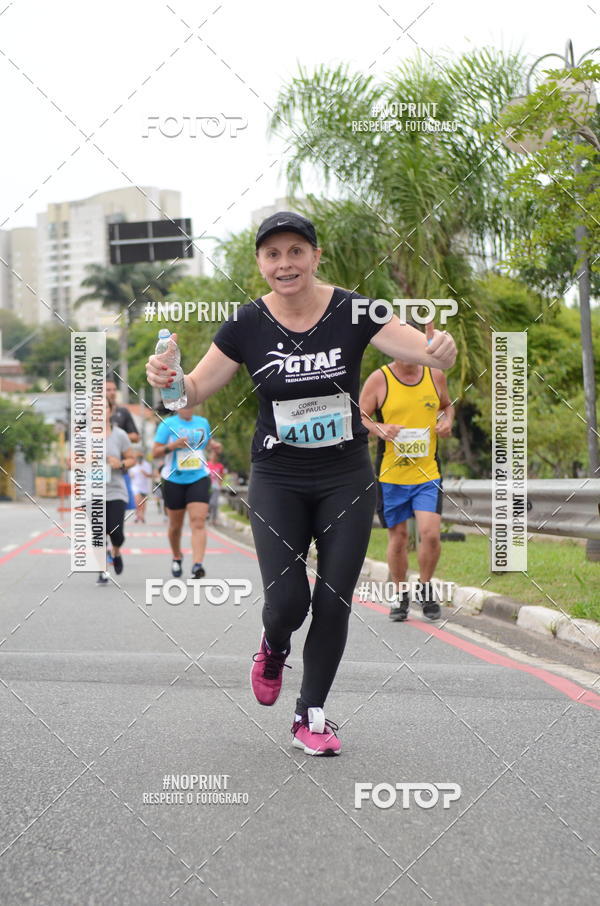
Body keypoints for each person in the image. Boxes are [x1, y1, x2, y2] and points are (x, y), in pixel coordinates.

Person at [145, 211, 456, 755]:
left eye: (295, 251)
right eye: (272, 254)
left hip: (345, 475)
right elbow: (191, 392)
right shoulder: (245, 324)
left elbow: (414, 347)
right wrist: (168, 382)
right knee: (288, 601)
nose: (284, 263)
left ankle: (310, 714)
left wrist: (438, 353)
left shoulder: (356, 308)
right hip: (278, 476)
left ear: (315, 256)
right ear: (260, 264)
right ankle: (273, 643)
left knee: (334, 599)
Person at [359, 344, 455, 621]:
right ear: (393, 348)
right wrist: (381, 428)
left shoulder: (435, 375)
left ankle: (425, 587)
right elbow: (360, 415)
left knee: (431, 534)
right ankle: (400, 595)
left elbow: (447, 406)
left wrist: (446, 422)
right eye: (404, 346)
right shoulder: (380, 379)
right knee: (399, 538)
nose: (410, 355)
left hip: (427, 473)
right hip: (392, 476)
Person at [151, 405, 221, 578]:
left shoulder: (202, 422)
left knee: (198, 521)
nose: (188, 409)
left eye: (191, 405)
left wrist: (215, 447)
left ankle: (197, 565)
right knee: (175, 526)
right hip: (174, 479)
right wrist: (173, 445)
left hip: (199, 476)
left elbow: (207, 442)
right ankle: (177, 556)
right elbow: (155, 452)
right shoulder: (167, 424)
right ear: (177, 407)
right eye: (184, 406)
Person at [97, 399, 137, 584]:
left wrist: (119, 463)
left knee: (116, 532)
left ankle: (116, 551)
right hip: (93, 492)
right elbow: (70, 462)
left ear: (110, 410)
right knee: (99, 532)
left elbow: (131, 459)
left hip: (116, 490)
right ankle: (102, 569)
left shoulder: (119, 435)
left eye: (103, 407)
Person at [129, 451, 153, 523]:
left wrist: (144, 473)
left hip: (144, 487)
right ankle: (137, 515)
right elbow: (130, 474)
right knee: (137, 501)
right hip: (135, 486)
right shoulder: (133, 465)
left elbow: (150, 475)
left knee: (143, 503)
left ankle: (142, 515)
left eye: (140, 458)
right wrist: (131, 475)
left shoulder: (147, 465)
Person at [207, 448, 225, 524]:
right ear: (210, 456)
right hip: (208, 486)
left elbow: (221, 476)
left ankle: (214, 518)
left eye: (215, 455)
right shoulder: (206, 464)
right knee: (208, 502)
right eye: (212, 455)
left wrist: (220, 485)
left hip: (216, 486)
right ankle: (208, 514)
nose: (213, 457)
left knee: (214, 503)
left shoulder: (220, 466)